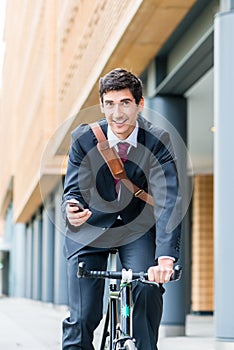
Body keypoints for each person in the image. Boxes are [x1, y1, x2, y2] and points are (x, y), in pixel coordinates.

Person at [61, 68, 181, 350]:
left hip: (136, 228)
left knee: (147, 291)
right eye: (110, 104)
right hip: (90, 229)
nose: (117, 113)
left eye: (125, 103)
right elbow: (73, 189)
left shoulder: (157, 140)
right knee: (83, 317)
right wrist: (72, 207)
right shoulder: (84, 138)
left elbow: (168, 200)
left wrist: (165, 259)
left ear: (139, 104)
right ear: (102, 106)